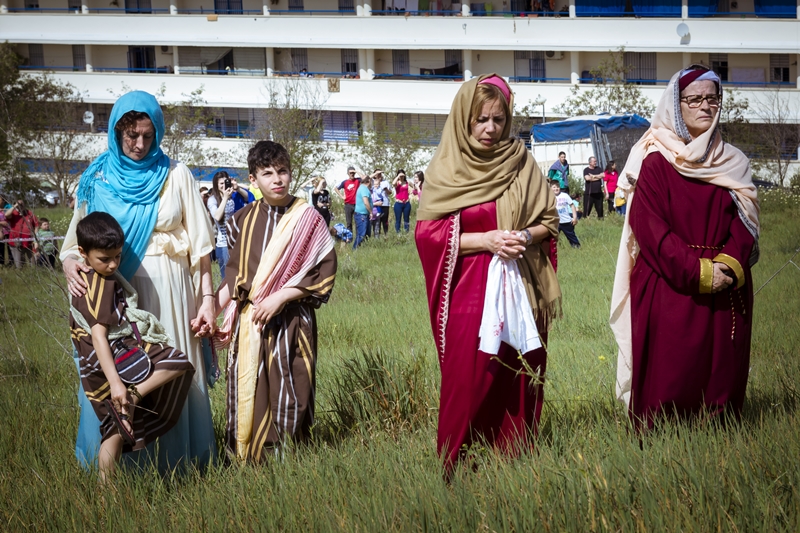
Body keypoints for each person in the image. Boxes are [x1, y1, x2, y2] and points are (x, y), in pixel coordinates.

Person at [61, 90, 218, 470]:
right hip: (112, 294)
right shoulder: (96, 177)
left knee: (167, 366)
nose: (139, 144)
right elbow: (73, 241)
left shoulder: (175, 174)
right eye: (130, 135)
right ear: (116, 132)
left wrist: (208, 298)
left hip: (171, 290)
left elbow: (201, 246)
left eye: (148, 135)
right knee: (117, 369)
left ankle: (178, 462)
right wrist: (68, 263)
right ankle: (123, 465)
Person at [415, 74, 561, 477]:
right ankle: (456, 464)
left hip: (520, 286)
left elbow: (549, 220)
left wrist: (524, 235)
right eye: (481, 119)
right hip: (467, 292)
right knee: (469, 376)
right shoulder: (446, 168)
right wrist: (487, 239)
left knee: (516, 370)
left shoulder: (521, 161)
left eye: (498, 119)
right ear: (465, 118)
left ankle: (512, 456)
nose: (490, 129)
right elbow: (427, 236)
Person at [610, 65, 759, 430]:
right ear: (677, 105)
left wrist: (727, 265)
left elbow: (746, 223)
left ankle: (717, 431)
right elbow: (649, 228)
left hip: (727, 281)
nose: (705, 106)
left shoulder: (733, 162)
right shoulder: (655, 160)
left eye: (712, 98)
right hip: (669, 282)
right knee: (670, 369)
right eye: (695, 99)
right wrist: (697, 271)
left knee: (720, 368)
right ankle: (661, 435)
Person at [201, 140, 337, 462]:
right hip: (252, 323)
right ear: (253, 180)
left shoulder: (308, 218)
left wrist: (281, 296)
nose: (277, 179)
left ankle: (290, 458)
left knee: (292, 386)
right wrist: (211, 311)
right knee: (252, 387)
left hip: (292, 318)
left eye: (283, 171)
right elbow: (234, 278)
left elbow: (323, 268)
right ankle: (250, 456)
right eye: (267, 173)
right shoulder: (241, 221)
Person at [68, 212, 195, 480]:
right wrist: (116, 383)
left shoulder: (91, 278)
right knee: (178, 362)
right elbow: (99, 336)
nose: (113, 264)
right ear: (82, 252)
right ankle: (133, 397)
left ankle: (107, 497)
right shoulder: (98, 285)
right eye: (105, 258)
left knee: (113, 430)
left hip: (95, 364)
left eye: (117, 256)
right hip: (111, 358)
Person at [207, 171, 250, 280]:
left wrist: (237, 187)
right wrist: (225, 198)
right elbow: (216, 216)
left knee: (241, 275)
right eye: (220, 183)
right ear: (216, 185)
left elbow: (248, 197)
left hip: (238, 241)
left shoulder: (234, 197)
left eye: (225, 182)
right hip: (224, 244)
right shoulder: (212, 200)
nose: (223, 185)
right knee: (226, 278)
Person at [5, 199, 39, 268]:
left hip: (29, 243)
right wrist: (15, 206)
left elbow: (36, 226)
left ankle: (33, 276)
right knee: (19, 265)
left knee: (33, 263)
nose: (21, 205)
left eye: (22, 204)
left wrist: (35, 239)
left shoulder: (30, 213)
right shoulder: (13, 213)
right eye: (19, 204)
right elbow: (6, 214)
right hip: (16, 243)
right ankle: (21, 277)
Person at [551, 181, 580, 249]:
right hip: (555, 222)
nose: (556, 189)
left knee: (571, 236)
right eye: (554, 187)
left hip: (566, 221)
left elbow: (572, 206)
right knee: (552, 238)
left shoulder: (564, 195)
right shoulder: (549, 197)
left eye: (557, 187)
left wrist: (574, 218)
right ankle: (552, 251)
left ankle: (577, 248)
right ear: (550, 188)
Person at [335, 166, 360, 232]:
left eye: (353, 173)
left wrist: (356, 171)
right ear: (348, 173)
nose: (352, 174)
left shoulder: (357, 180)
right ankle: (349, 237)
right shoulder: (345, 182)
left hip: (356, 204)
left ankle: (358, 239)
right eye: (350, 173)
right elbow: (336, 188)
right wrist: (342, 196)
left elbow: (365, 178)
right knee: (349, 223)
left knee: (357, 222)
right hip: (348, 205)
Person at [353, 175, 372, 249]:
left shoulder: (363, 188)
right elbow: (366, 202)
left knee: (367, 235)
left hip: (364, 215)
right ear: (369, 181)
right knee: (361, 234)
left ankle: (363, 250)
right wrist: (371, 212)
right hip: (362, 215)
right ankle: (355, 250)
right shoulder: (364, 189)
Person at [372, 170, 392, 234]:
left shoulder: (385, 182)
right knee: (376, 221)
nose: (379, 175)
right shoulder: (372, 182)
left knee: (385, 220)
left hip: (385, 204)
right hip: (376, 204)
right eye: (377, 174)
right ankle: (377, 235)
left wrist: (386, 189)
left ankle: (386, 234)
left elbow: (390, 192)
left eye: (380, 174)